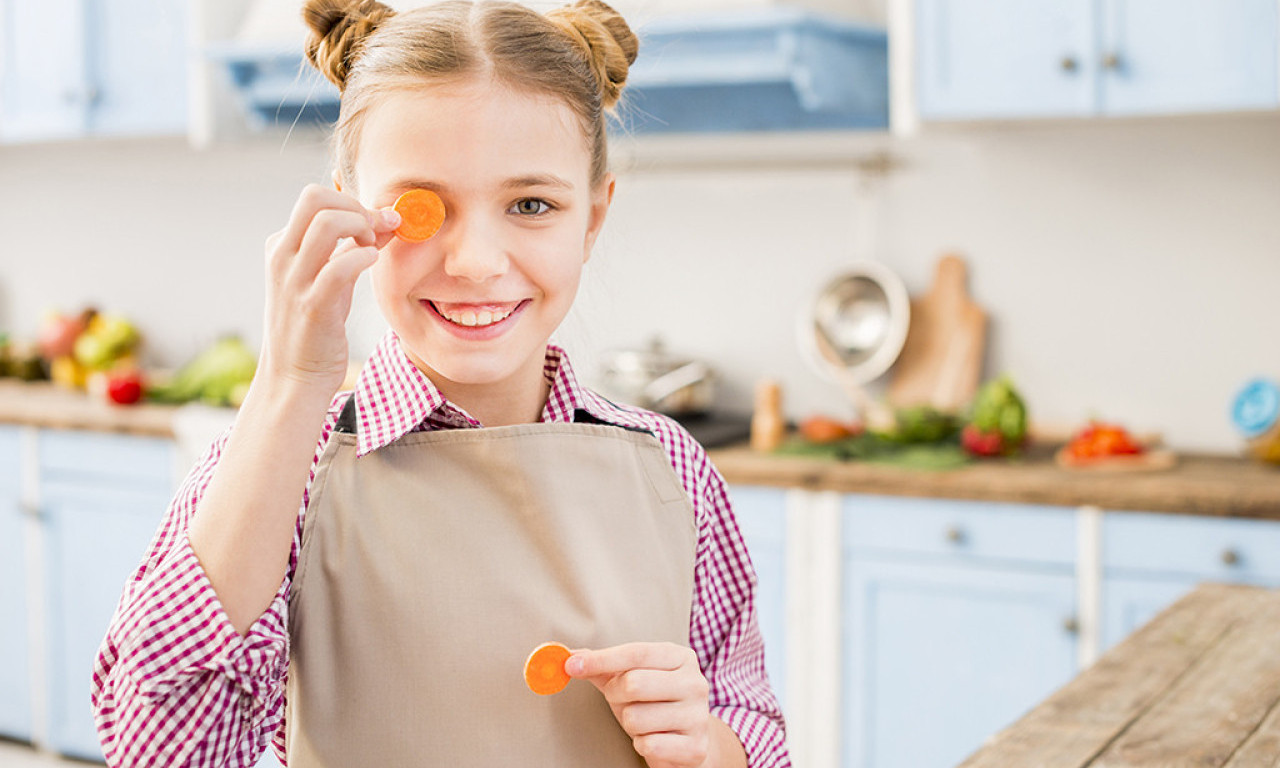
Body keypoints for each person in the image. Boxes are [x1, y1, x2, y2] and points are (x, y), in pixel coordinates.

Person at [90, 0, 787, 765]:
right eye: (423, 209)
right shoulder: (280, 470)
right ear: (351, 209)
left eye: (531, 204)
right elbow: (157, 749)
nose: (476, 262)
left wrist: (711, 746)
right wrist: (291, 382)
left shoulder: (671, 467)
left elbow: (751, 727)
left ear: (592, 218)